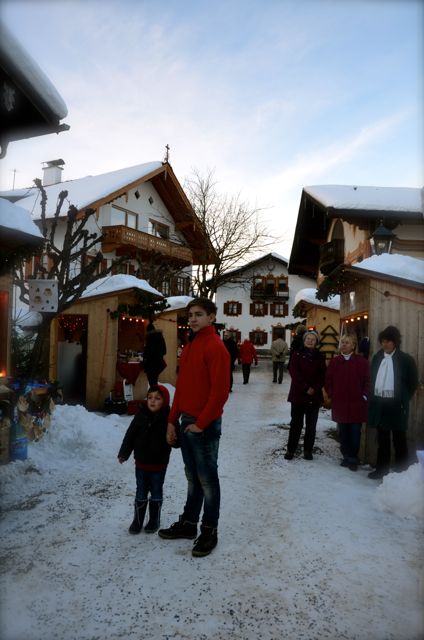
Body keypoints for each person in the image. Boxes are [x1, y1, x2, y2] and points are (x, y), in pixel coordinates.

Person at [158, 298, 230, 557]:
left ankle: (209, 530)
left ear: (212, 317)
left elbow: (220, 393)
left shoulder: (216, 347)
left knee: (208, 480)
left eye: (199, 314)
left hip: (204, 425)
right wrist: (171, 420)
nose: (192, 318)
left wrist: (201, 423)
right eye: (190, 314)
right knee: (192, 478)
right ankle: (189, 524)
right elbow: (183, 387)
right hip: (186, 422)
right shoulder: (190, 346)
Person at [117, 385, 171, 534]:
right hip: (141, 464)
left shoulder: (168, 418)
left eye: (157, 398)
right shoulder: (140, 415)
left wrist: (174, 440)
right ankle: (138, 520)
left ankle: (154, 520)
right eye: (150, 398)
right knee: (140, 492)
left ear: (165, 401)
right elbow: (130, 436)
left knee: (156, 492)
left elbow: (176, 438)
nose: (152, 401)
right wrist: (124, 453)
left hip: (159, 466)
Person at [367, 325, 418, 480]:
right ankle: (381, 469)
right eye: (383, 341)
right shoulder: (377, 358)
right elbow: (373, 378)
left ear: (395, 342)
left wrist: (403, 398)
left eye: (388, 341)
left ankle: (402, 472)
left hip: (397, 406)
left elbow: (412, 383)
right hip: (380, 404)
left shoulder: (406, 360)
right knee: (382, 440)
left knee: (399, 439)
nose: (385, 344)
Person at [325, 334, 370, 471]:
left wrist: (364, 396)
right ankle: (345, 456)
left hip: (357, 404)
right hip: (341, 403)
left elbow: (368, 381)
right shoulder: (335, 362)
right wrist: (332, 394)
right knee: (343, 432)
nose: (343, 344)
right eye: (342, 342)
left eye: (347, 342)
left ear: (353, 345)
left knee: (355, 432)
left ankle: (353, 457)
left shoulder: (362, 362)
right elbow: (328, 380)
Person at [285, 330, 326, 460]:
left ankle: (308, 450)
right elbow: (294, 372)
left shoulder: (320, 356)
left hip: (314, 396)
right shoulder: (297, 354)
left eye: (313, 339)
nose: (310, 341)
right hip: (298, 395)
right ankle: (291, 450)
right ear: (304, 340)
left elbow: (322, 375)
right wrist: (305, 388)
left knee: (311, 426)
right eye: (308, 338)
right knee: (296, 425)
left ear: (316, 342)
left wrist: (314, 388)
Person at [143, 321, 167, 387]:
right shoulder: (160, 337)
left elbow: (146, 352)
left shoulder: (149, 338)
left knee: (152, 383)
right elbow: (164, 351)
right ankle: (156, 395)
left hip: (151, 365)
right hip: (159, 363)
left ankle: (154, 395)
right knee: (154, 382)